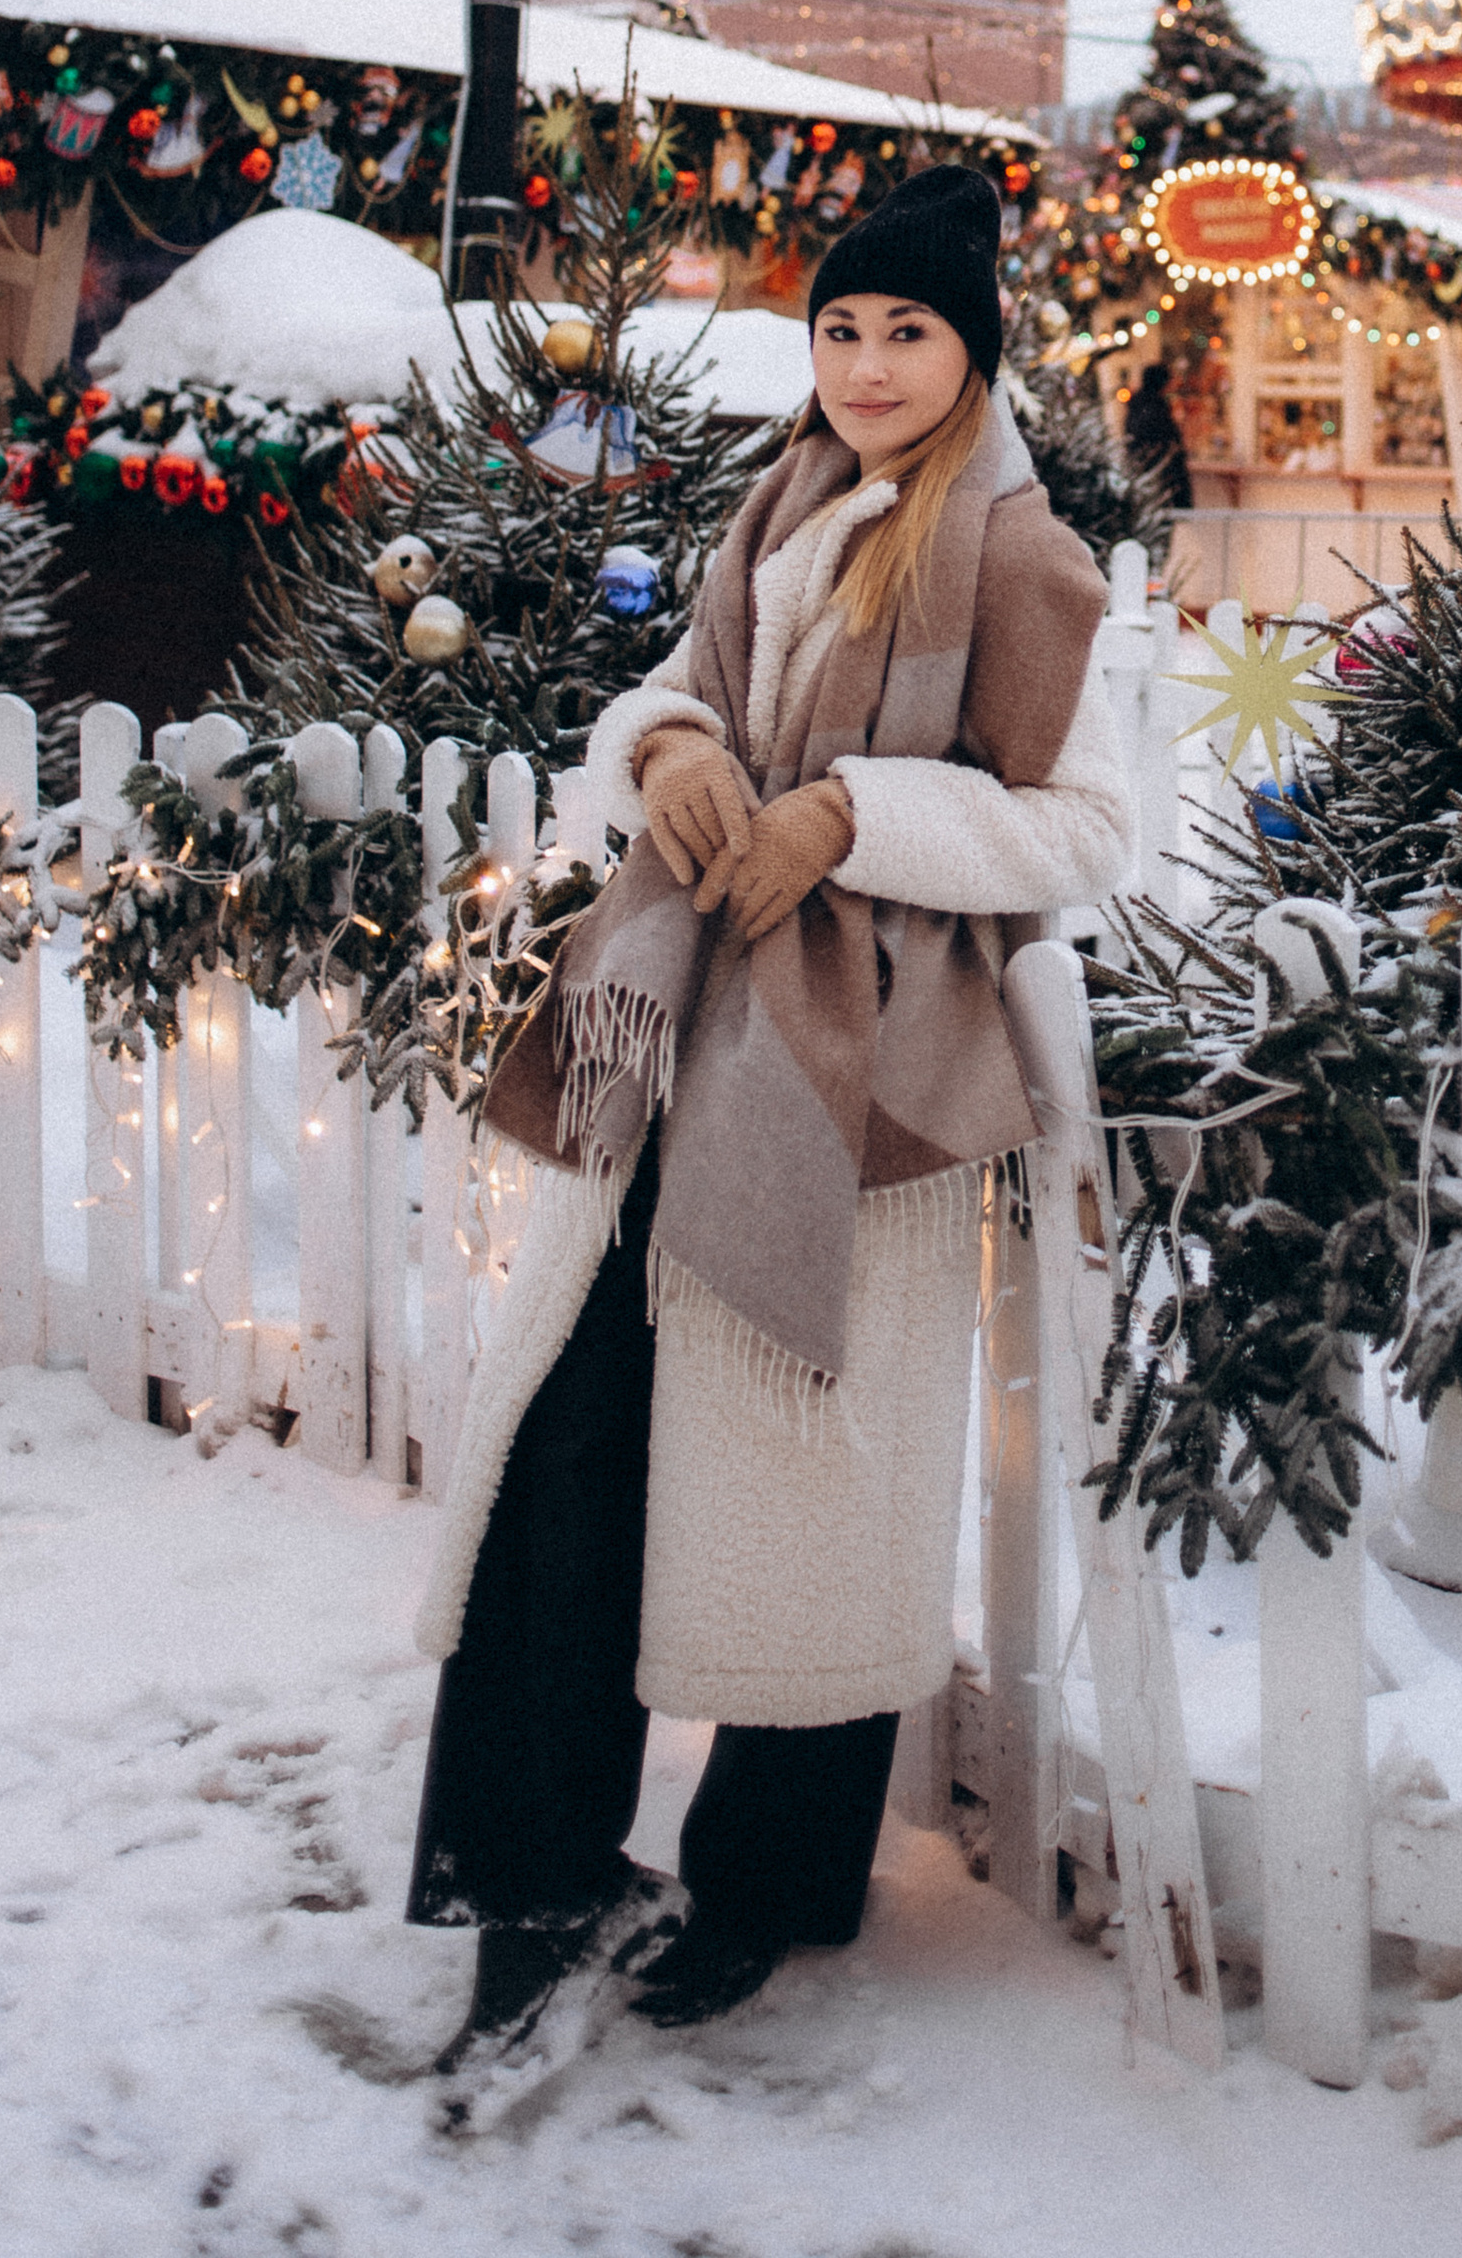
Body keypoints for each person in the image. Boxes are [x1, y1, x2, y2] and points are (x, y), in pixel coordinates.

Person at [405, 165, 1129, 2054]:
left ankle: (775, 1887)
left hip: (859, 1085)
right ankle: (534, 1846)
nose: (870, 365)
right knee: (578, 1450)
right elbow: (670, 687)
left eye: (908, 332)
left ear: (971, 349)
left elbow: (1087, 826)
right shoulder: (776, 500)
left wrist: (856, 818)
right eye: (842, 328)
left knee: (809, 1495)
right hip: (684, 1035)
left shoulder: (1031, 554)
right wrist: (676, 749)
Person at [1121, 362, 1192, 515]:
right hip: (1159, 483)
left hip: (1149, 481)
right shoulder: (1155, 410)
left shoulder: (1140, 407)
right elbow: (1165, 447)